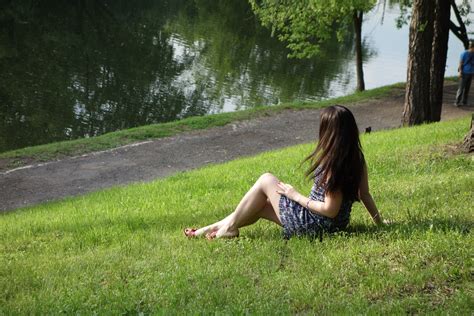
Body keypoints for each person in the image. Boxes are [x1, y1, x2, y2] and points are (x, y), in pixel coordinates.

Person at [184, 105, 384, 240]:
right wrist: (379, 222)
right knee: (260, 205)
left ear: (329, 133)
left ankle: (227, 229)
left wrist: (294, 195)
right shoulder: (356, 158)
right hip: (334, 226)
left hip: (316, 225)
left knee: (266, 179)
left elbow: (330, 210)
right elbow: (364, 194)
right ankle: (212, 229)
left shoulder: (334, 165)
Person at [455, 40, 474, 106]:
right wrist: (460, 72)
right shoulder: (464, 53)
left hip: (471, 73)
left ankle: (464, 102)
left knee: (467, 89)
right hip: (464, 73)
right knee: (461, 88)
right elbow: (460, 63)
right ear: (472, 47)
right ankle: (457, 102)